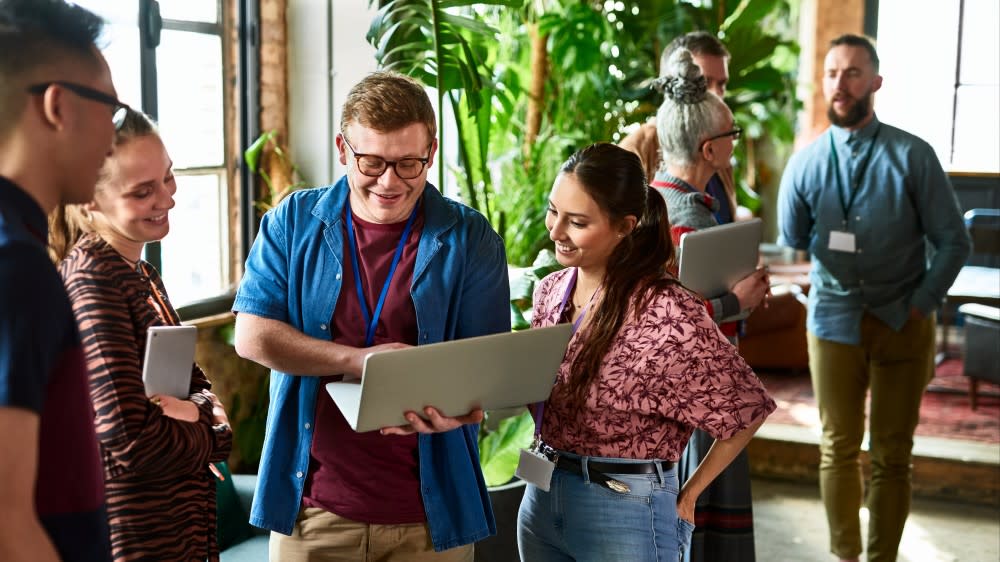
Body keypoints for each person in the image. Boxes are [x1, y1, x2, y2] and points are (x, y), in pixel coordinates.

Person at [232, 70, 510, 561]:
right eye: (372, 162)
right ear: (343, 149)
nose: (390, 182)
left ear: (432, 151)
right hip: (312, 512)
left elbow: (485, 366)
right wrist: (359, 360)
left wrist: (458, 410)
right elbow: (253, 336)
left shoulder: (471, 239)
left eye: (409, 164)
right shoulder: (293, 222)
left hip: (431, 517)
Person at [516, 142, 775, 562]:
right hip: (542, 495)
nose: (555, 231)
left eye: (577, 222)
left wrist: (689, 494)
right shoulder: (549, 291)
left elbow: (747, 408)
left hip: (625, 507)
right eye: (553, 211)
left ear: (624, 226)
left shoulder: (668, 311)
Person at [777, 34, 971, 562]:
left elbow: (955, 240)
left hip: (903, 318)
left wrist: (923, 301)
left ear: (876, 82)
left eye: (854, 73)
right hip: (833, 321)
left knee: (892, 454)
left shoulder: (913, 155)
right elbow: (793, 239)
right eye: (833, 73)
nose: (841, 84)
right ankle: (845, 556)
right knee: (837, 447)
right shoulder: (805, 163)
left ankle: (882, 558)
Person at [48, 109, 234, 561]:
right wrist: (211, 430)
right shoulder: (93, 282)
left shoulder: (142, 272)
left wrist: (196, 409)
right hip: (140, 539)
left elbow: (199, 389)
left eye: (168, 178)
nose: (167, 199)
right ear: (89, 200)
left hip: (181, 531)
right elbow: (132, 442)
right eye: (143, 191)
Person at [0, 1, 118, 559]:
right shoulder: (17, 269)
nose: (113, 141)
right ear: (58, 105)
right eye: (110, 110)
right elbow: (7, 521)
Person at [651, 46, 772, 561]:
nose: (734, 144)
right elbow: (667, 318)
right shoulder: (688, 220)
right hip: (699, 395)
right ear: (708, 150)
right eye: (731, 136)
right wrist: (736, 300)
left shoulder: (654, 197)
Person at [619, 30, 738, 225]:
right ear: (671, 84)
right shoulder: (634, 152)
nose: (716, 94)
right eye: (704, 82)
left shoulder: (720, 142)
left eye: (722, 84)